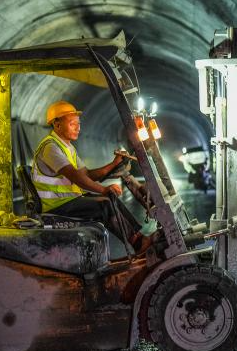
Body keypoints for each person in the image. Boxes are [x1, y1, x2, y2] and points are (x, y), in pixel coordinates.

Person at [31, 100, 151, 253]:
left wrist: (114, 164)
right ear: (57, 124)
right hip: (57, 206)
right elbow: (76, 177)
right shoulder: (50, 147)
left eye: (78, 123)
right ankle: (139, 244)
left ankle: (139, 237)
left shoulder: (68, 147)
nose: (78, 128)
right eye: (72, 123)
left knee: (110, 199)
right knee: (105, 205)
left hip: (70, 200)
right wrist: (103, 189)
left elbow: (86, 174)